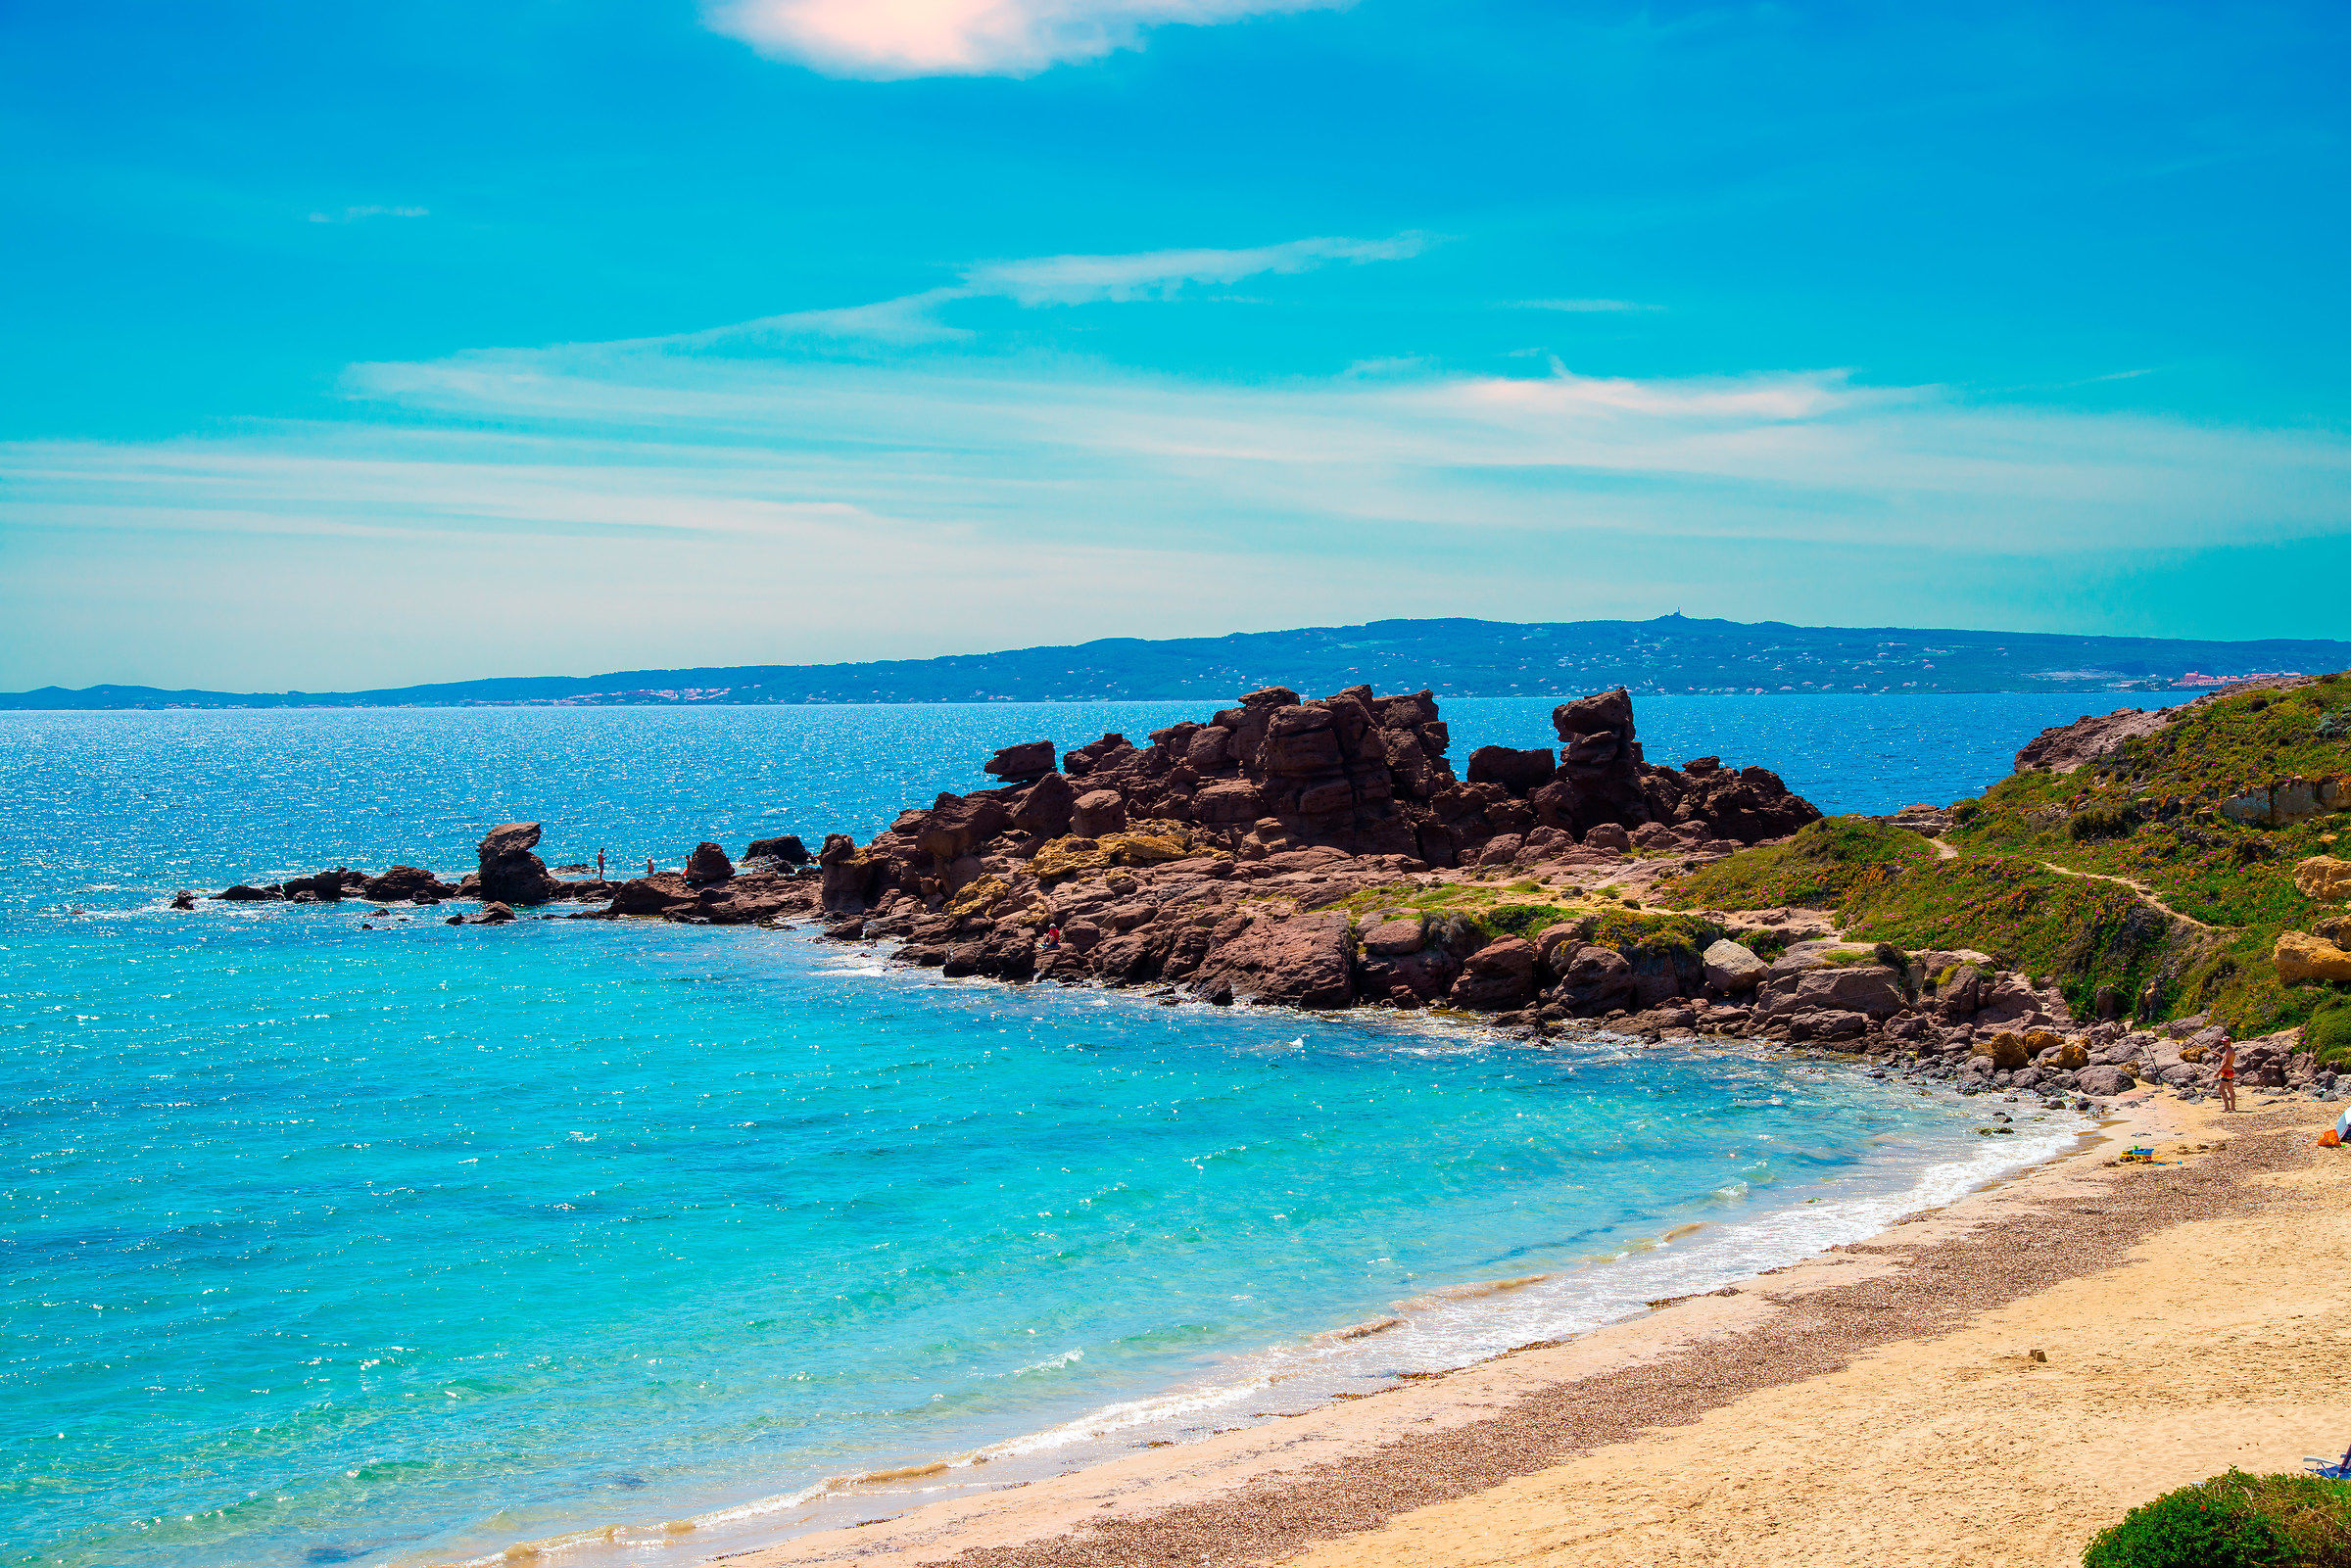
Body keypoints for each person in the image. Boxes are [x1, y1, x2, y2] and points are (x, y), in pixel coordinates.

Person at [2215, 1040, 2237, 1113]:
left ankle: (2227, 1107)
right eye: (2223, 1042)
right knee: (2230, 1090)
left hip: (2226, 1073)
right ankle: (2233, 1107)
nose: (2223, 1043)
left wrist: (2218, 1072)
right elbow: (2226, 1060)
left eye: (2225, 1042)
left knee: (2221, 1089)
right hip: (2229, 1072)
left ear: (2229, 1042)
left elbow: (2226, 1063)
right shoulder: (2229, 1050)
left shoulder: (2230, 1051)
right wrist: (2219, 1055)